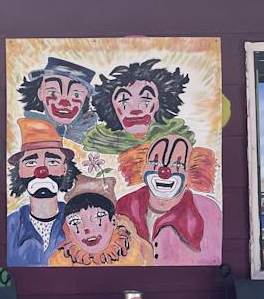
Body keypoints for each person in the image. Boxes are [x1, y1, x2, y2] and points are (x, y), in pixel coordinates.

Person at [116, 133, 221, 265]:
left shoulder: (208, 211)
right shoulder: (124, 206)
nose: (164, 172)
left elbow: (213, 259)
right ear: (142, 167)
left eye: (177, 165)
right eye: (155, 162)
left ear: (191, 171)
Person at [6, 118, 80, 266]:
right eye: (31, 162)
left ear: (65, 169)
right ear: (19, 170)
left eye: (52, 162)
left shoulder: (79, 220)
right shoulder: (9, 226)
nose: (41, 171)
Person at [84, 58, 193, 154]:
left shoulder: (179, 139)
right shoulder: (98, 141)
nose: (135, 110)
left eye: (146, 100)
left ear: (157, 104)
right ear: (112, 107)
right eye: (124, 101)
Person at [48, 175, 152, 266]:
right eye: (75, 222)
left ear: (114, 222)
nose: (87, 228)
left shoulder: (139, 252)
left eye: (98, 216)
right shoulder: (60, 262)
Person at [17, 57, 98, 143]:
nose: (64, 104)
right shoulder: (31, 128)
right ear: (40, 94)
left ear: (85, 98)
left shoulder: (95, 136)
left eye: (76, 95)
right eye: (53, 93)